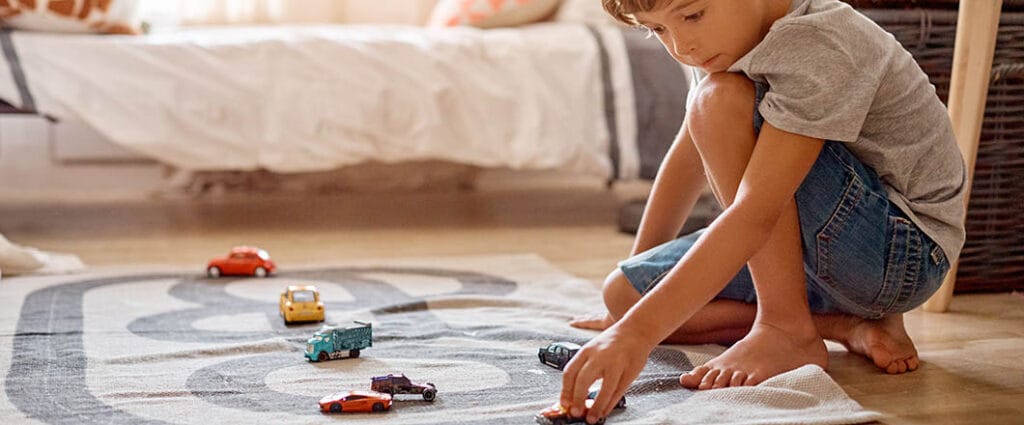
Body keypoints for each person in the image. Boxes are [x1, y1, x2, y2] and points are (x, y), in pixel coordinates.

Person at [559, 0, 967, 423]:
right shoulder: (724, 39)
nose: (682, 46)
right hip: (823, 250)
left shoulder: (819, 40)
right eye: (658, 30)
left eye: (692, 15)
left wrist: (636, 334)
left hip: (900, 253)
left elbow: (755, 210)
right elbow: (687, 158)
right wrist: (632, 302)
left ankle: (785, 327)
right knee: (623, 294)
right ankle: (844, 325)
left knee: (718, 100)